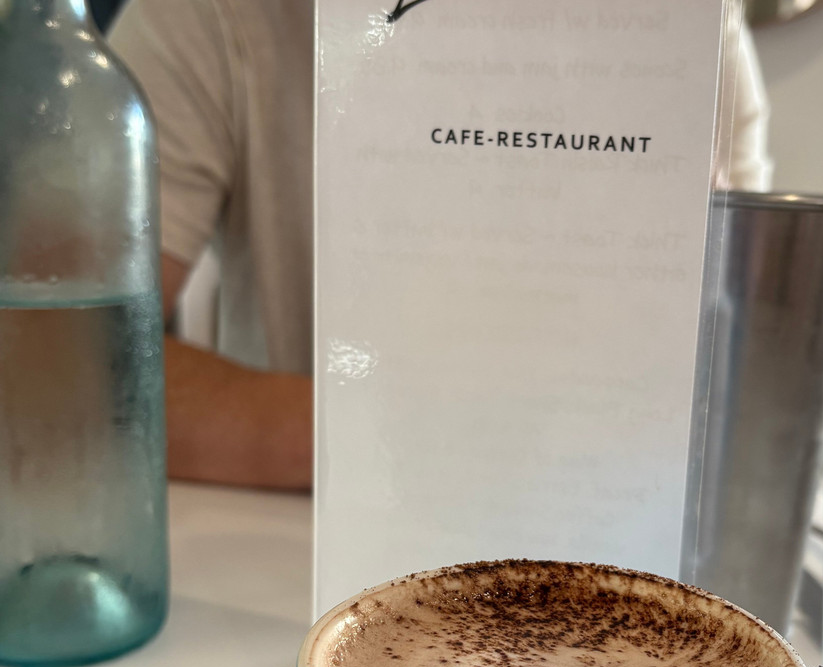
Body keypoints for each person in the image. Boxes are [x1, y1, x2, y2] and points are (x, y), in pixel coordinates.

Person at [108, 0, 771, 491]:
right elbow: (74, 369)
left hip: (619, 537)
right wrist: (435, 450)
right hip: (301, 553)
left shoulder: (692, 30)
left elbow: (744, 365)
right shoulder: (212, 17)